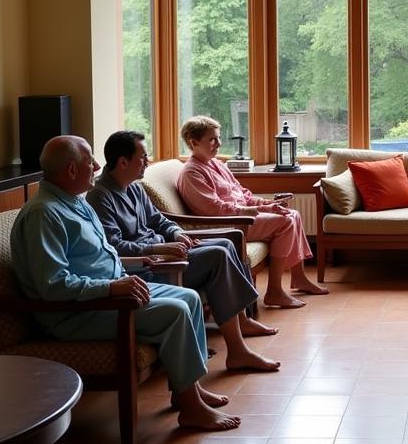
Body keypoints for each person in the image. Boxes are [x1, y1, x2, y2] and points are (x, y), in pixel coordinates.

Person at [10, 136, 241, 431]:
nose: (96, 166)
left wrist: (132, 268)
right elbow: (53, 286)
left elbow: (106, 254)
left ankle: (188, 390)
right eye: (89, 161)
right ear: (70, 170)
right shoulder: (44, 214)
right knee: (175, 312)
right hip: (77, 312)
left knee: (189, 299)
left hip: (111, 291)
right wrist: (110, 288)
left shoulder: (74, 204)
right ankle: (190, 407)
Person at [87, 130, 280, 372]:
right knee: (217, 255)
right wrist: (159, 247)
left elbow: (160, 221)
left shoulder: (134, 188)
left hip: (167, 251)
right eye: (143, 157)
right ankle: (238, 350)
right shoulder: (100, 197)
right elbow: (113, 246)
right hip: (149, 265)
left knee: (226, 244)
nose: (147, 162)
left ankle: (242, 321)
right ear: (123, 162)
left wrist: (177, 234)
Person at [177, 116, 326, 309]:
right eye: (212, 139)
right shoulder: (192, 173)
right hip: (225, 224)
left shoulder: (217, 164)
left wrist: (268, 204)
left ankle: (299, 279)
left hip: (240, 215)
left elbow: (243, 195)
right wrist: (256, 210)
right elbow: (215, 209)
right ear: (193, 142)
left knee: (292, 214)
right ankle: (274, 292)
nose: (219, 143)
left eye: (219, 138)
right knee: (285, 222)